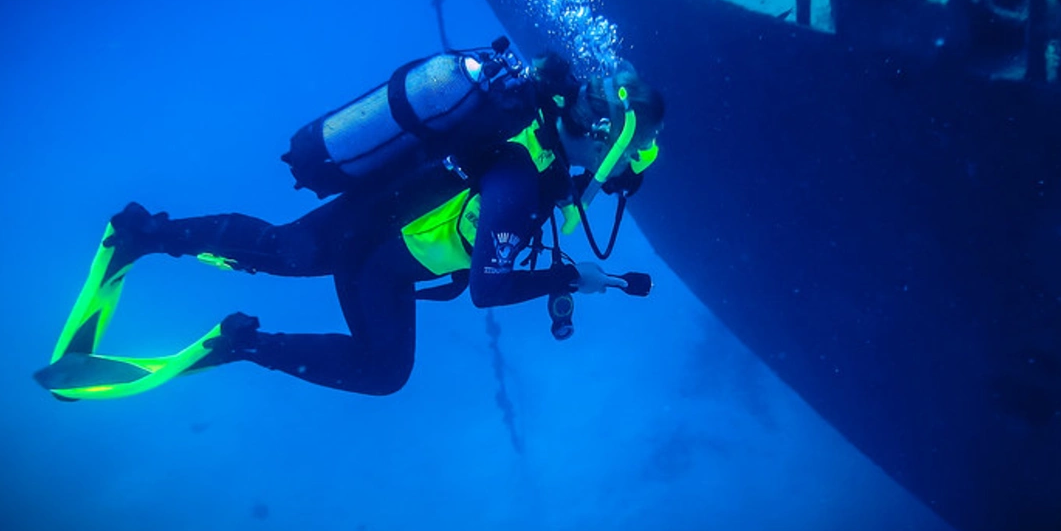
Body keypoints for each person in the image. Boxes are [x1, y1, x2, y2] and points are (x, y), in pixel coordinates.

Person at [35, 47, 664, 400]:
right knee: (293, 260)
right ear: (606, 137)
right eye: (637, 151)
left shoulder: (548, 134)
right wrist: (569, 275)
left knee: (294, 262)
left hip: (392, 229)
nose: (637, 165)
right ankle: (190, 289)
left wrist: (586, 227)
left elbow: (538, 205)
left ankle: (154, 243)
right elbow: (489, 287)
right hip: (376, 244)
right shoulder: (522, 179)